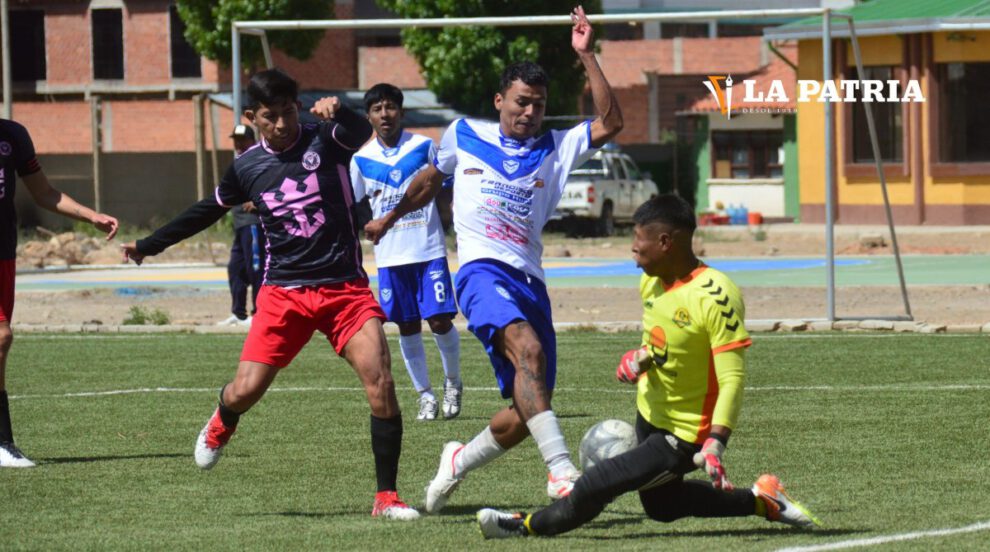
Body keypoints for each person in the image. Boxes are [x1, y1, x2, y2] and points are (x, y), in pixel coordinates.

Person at [121, 68, 419, 520]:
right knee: (245, 391)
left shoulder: (327, 137)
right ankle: (223, 419)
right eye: (269, 117)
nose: (281, 125)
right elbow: (205, 211)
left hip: (345, 290)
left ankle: (387, 498)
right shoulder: (246, 167)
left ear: (297, 107)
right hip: (284, 294)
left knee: (381, 384)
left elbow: (362, 132)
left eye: (287, 113)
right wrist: (148, 246)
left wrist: (342, 109)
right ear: (251, 118)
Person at [364, 5, 623, 511]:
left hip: (531, 280)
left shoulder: (557, 145)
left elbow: (612, 121)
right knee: (526, 352)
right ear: (500, 100)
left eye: (539, 105)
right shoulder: (464, 134)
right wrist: (389, 219)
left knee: (529, 409)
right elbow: (427, 182)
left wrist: (586, 55)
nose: (529, 113)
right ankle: (562, 473)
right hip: (481, 272)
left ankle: (456, 461)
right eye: (521, 103)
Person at [475, 194, 821, 538]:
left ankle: (523, 526)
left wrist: (715, 442)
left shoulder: (717, 296)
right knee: (662, 507)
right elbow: (660, 341)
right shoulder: (651, 281)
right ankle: (763, 500)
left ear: (665, 242)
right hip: (649, 415)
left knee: (598, 483)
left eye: (638, 243)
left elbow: (732, 380)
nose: (633, 253)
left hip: (686, 435)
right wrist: (637, 359)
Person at [0, 119, 118, 467]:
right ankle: (2, 442)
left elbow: (45, 193)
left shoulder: (13, 135)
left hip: (4, 253)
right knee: (1, 336)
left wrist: (90, 216)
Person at [350, 83, 462, 422]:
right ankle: (425, 395)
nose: (385, 114)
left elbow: (444, 186)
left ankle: (453, 383)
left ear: (401, 111)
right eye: (377, 109)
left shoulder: (425, 147)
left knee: (440, 320)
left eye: (390, 107)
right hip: (390, 258)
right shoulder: (360, 159)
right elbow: (355, 206)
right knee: (407, 326)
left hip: (428, 250)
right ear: (369, 116)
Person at [217, 124, 266, 327]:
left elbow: (272, 184)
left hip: (253, 223)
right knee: (235, 268)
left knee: (256, 268)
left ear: (251, 140)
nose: (238, 144)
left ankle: (259, 313)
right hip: (240, 224)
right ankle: (238, 313)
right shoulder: (238, 162)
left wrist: (258, 202)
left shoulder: (260, 159)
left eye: (242, 140)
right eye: (235, 140)